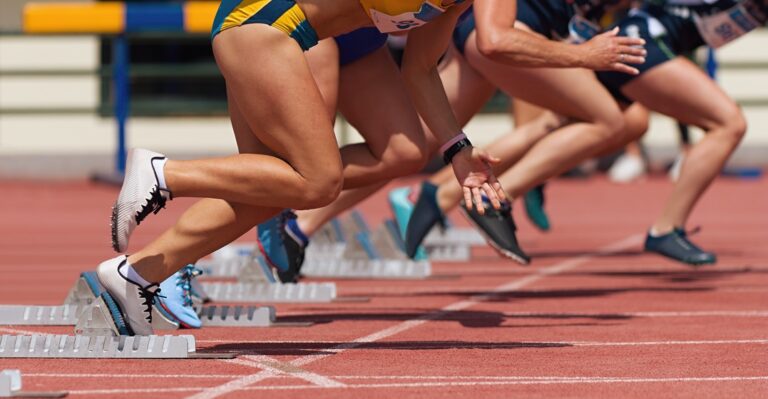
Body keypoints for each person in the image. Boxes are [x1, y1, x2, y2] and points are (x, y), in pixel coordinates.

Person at [99, 0, 510, 336]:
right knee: (318, 179)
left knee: (272, 192)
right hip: (265, 24)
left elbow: (419, 70)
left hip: (290, 35)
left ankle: (139, 273)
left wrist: (458, 149)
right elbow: (493, 41)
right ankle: (164, 174)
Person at [398, 0, 649, 263]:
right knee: (607, 120)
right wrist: (585, 54)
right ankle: (492, 199)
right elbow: (495, 40)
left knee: (402, 149)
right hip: (506, 34)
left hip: (490, 31)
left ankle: (436, 193)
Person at [596, 0, 765, 264]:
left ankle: (517, 189)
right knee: (729, 123)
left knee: (571, 130)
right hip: (642, 40)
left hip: (650, 43)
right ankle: (665, 229)